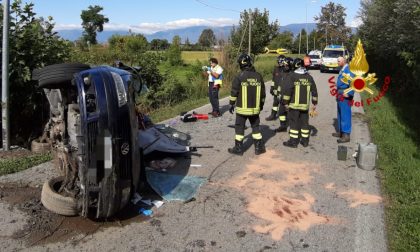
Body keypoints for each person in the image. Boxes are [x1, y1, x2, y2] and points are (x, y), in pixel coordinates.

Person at [228, 54, 266, 155]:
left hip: (242, 110)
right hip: (255, 109)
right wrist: (261, 105)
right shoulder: (258, 76)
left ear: (240, 64)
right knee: (255, 127)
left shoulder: (239, 76)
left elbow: (234, 92)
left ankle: (238, 149)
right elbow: (263, 94)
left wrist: (231, 104)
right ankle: (259, 148)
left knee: (239, 128)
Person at [282, 58, 318, 148]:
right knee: (305, 123)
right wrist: (314, 103)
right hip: (305, 106)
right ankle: (305, 141)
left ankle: (293, 142)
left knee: (293, 123)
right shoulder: (309, 77)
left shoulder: (292, 76)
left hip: (294, 106)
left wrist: (285, 103)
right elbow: (314, 91)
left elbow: (288, 91)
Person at [333, 56, 354, 143]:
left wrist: (349, 93)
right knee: (340, 113)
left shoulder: (348, 70)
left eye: (339, 61)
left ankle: (346, 135)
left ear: (344, 61)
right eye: (337, 61)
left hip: (345, 94)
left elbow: (353, 82)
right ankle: (341, 132)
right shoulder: (342, 69)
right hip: (340, 93)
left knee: (345, 114)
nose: (337, 62)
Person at [266, 55, 286, 121]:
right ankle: (273, 115)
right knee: (275, 103)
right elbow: (273, 80)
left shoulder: (287, 70)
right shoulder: (276, 69)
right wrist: (272, 88)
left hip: (284, 91)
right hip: (276, 91)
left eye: (279, 61)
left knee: (284, 105)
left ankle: (285, 118)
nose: (278, 62)